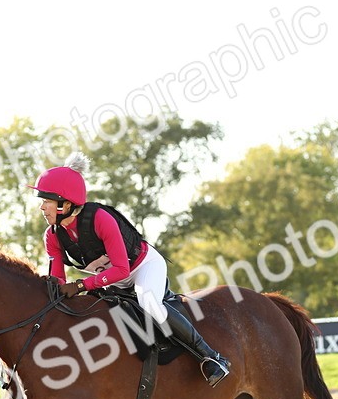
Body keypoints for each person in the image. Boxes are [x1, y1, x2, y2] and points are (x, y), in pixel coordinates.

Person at [29, 153, 230, 387]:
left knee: (148, 302)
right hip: (109, 279)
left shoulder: (99, 219)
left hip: (142, 267)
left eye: (46, 201)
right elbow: (58, 280)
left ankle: (210, 357)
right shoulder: (52, 236)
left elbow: (122, 269)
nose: (42, 207)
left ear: (65, 203)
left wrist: (82, 285)